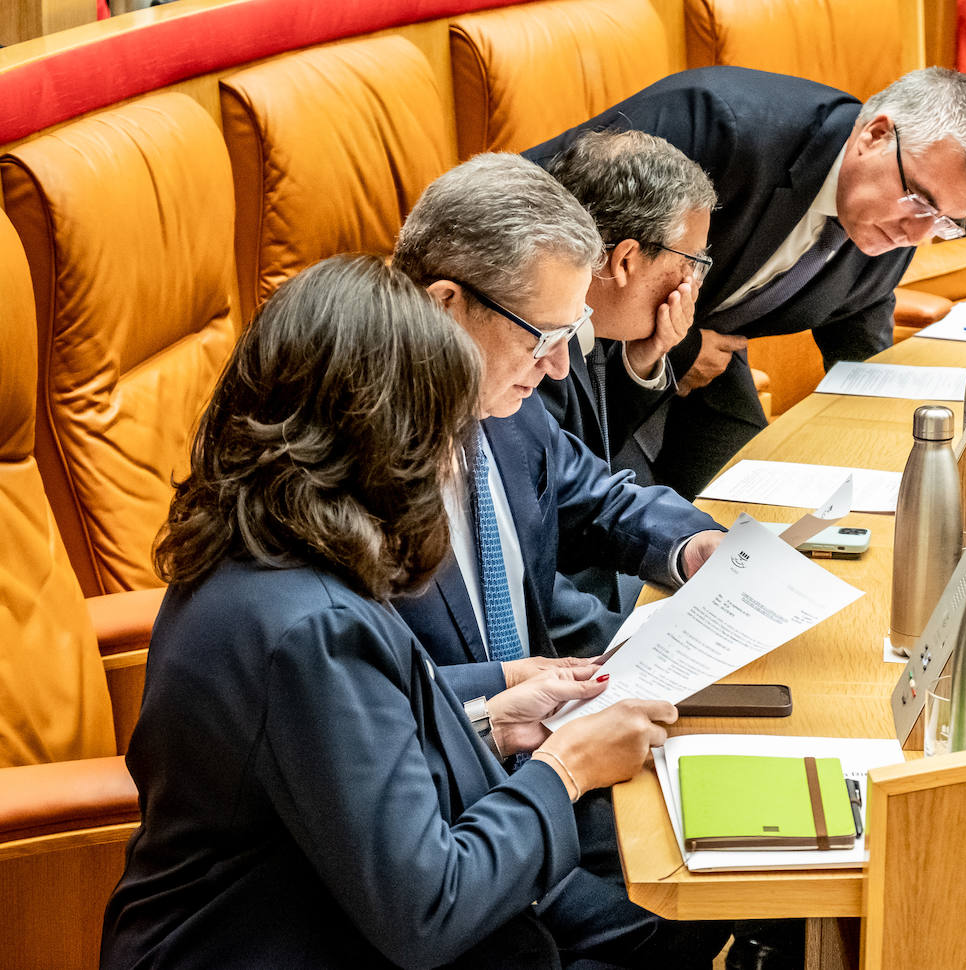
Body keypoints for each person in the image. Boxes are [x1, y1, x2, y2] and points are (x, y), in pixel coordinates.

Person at [100, 254, 689, 969]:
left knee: (656, 927)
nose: (451, 460)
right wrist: (565, 769)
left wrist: (489, 715)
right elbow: (429, 910)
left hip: (329, 909)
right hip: (286, 942)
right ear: (378, 437)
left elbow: (333, 755)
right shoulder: (312, 624)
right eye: (442, 430)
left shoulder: (260, 544)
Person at [527, 65, 966, 498]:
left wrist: (899, 447)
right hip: (567, 360)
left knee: (747, 513)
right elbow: (522, 211)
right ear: (875, 135)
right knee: (615, 540)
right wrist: (675, 350)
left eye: (944, 221)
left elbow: (859, 314)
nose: (917, 233)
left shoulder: (895, 220)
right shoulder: (721, 124)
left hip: (704, 363)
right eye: (919, 200)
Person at [389, 152, 726, 672]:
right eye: (543, 336)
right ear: (445, 305)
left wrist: (688, 544)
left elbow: (596, 499)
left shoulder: (507, 408)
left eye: (571, 333)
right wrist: (503, 694)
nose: (559, 367)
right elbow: (372, 692)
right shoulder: (351, 456)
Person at [538, 128, 718, 655]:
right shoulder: (527, 341)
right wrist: (629, 644)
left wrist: (688, 543)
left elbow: (582, 473)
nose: (694, 283)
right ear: (624, 261)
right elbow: (530, 546)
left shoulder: (595, 317)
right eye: (692, 262)